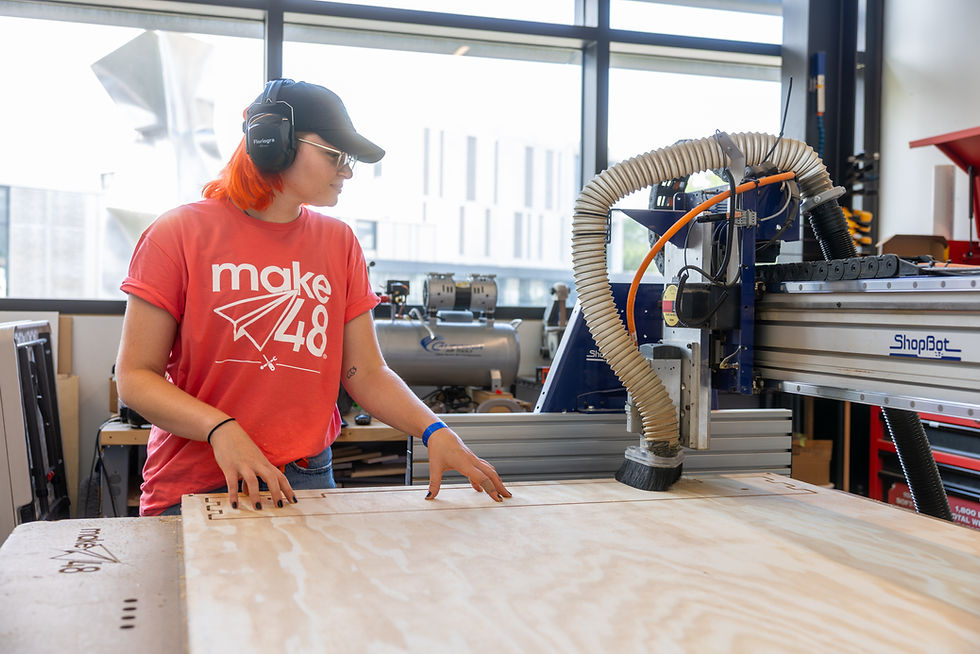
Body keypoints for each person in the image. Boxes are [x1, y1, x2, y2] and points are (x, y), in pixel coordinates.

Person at [115, 79, 511, 516]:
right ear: (273, 143)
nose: (347, 171)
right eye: (335, 156)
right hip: (202, 479)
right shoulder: (178, 234)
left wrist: (435, 431)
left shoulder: (338, 242)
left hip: (307, 478)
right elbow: (135, 376)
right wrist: (220, 428)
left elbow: (365, 372)